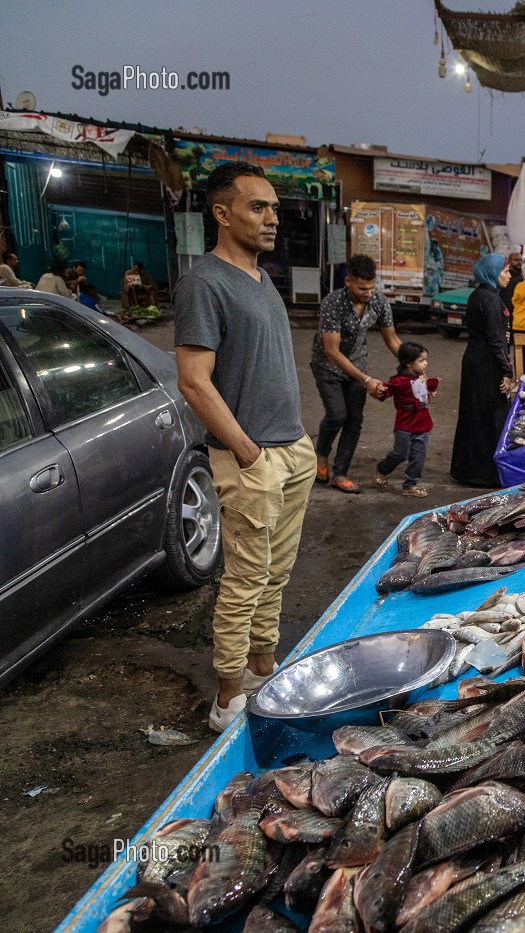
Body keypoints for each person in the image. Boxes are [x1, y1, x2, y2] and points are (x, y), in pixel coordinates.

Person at [172, 161, 315, 732]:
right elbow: (193, 381)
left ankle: (262, 666)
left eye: (274, 208)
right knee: (245, 578)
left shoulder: (261, 279)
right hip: (249, 458)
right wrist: (248, 453)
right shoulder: (204, 283)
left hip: (291, 450)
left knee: (276, 573)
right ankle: (229, 693)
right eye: (258, 207)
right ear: (223, 213)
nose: (272, 218)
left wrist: (296, 442)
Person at [310, 253, 401, 493]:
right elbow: (332, 351)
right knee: (337, 414)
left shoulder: (379, 302)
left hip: (357, 364)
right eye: (362, 288)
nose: (368, 293)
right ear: (348, 281)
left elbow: (392, 339)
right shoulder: (333, 303)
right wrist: (368, 380)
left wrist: (415, 366)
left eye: (372, 287)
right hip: (327, 365)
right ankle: (321, 452)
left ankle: (340, 473)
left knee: (354, 420)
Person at [450, 253, 514, 486]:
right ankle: (485, 472)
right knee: (490, 416)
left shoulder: (477, 296)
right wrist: (506, 371)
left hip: (474, 360)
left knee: (472, 414)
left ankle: (465, 468)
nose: (508, 275)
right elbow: (496, 341)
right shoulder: (492, 300)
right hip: (487, 365)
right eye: (505, 271)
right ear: (493, 273)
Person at [374, 341, 439, 497]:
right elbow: (385, 391)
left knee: (419, 456)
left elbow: (424, 388)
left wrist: (432, 387)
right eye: (422, 360)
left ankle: (410, 485)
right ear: (409, 364)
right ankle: (383, 468)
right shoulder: (399, 381)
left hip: (422, 424)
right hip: (405, 425)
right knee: (401, 453)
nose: (426, 363)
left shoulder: (421, 376)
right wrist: (379, 389)